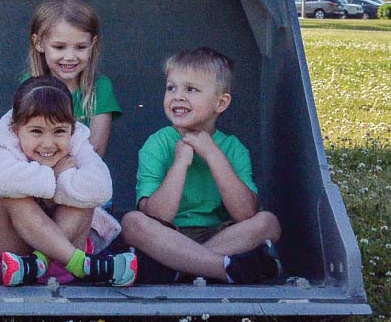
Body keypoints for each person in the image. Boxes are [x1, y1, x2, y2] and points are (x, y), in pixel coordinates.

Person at [119, 47, 283, 283]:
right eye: (171, 88)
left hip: (220, 234)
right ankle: (226, 268)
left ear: (221, 103)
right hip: (168, 235)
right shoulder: (156, 144)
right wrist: (181, 162)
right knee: (132, 223)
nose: (178, 96)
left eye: (191, 89)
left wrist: (212, 154)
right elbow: (158, 215)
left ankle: (179, 268)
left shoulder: (233, 148)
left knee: (268, 222)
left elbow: (245, 212)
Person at [0, 75, 136, 287]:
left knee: (84, 200)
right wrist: (56, 176)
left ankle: (40, 262)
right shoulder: (3, 139)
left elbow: (101, 189)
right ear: (16, 129)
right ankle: (82, 264)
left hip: (57, 266)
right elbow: (1, 181)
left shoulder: (78, 139)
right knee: (10, 197)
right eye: (36, 132)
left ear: (72, 128)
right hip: (11, 261)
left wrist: (50, 189)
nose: (48, 144)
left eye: (59, 131)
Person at [27, 0, 121, 155]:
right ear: (39, 43)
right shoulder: (29, 86)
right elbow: (23, 143)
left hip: (83, 175)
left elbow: (96, 150)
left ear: (92, 44)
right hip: (36, 176)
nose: (70, 56)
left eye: (80, 47)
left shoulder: (99, 87)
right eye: (59, 47)